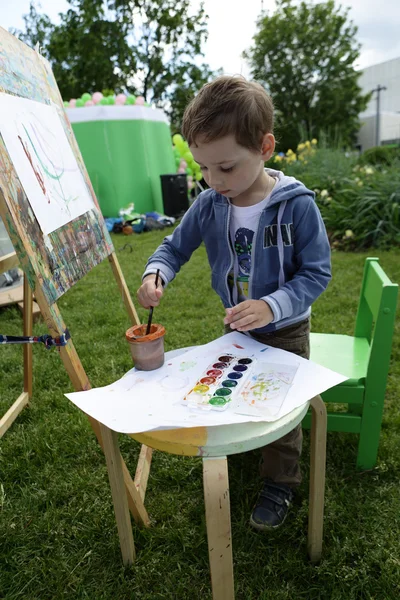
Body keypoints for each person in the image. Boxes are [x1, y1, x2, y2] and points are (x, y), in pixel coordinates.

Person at [137, 75, 331, 531]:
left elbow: (317, 273)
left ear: (264, 147)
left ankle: (281, 480)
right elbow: (173, 247)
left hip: (286, 330)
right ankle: (247, 449)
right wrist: (155, 273)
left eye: (225, 167)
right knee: (238, 391)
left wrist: (273, 306)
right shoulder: (209, 204)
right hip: (237, 328)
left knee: (280, 410)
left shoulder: (297, 205)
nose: (212, 180)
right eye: (203, 168)